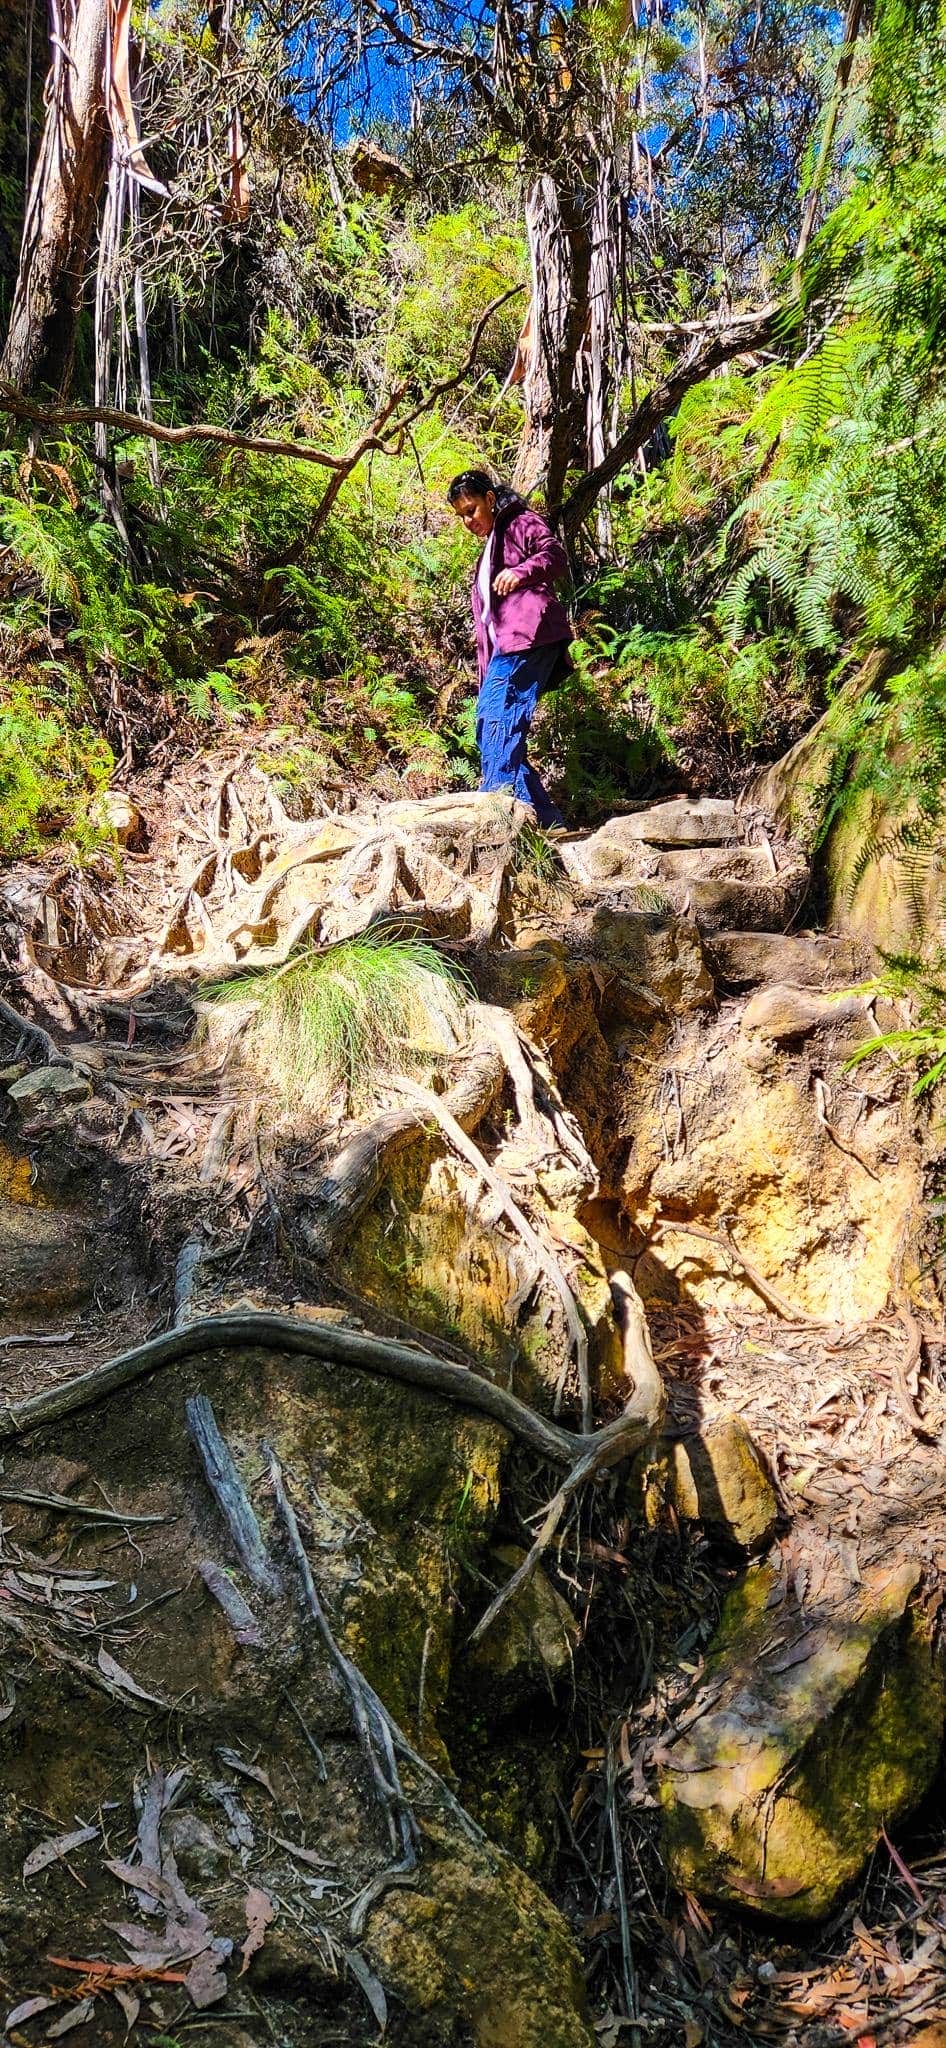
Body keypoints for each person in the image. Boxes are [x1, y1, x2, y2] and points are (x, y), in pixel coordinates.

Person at [448, 468, 572, 828]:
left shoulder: (520, 523)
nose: (468, 521)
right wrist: (487, 678)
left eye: (471, 510)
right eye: (461, 516)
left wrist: (522, 572)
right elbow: (489, 624)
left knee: (498, 719)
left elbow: (555, 554)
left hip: (530, 635)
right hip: (506, 649)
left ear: (490, 499)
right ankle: (546, 819)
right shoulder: (490, 547)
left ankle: (496, 812)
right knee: (488, 726)